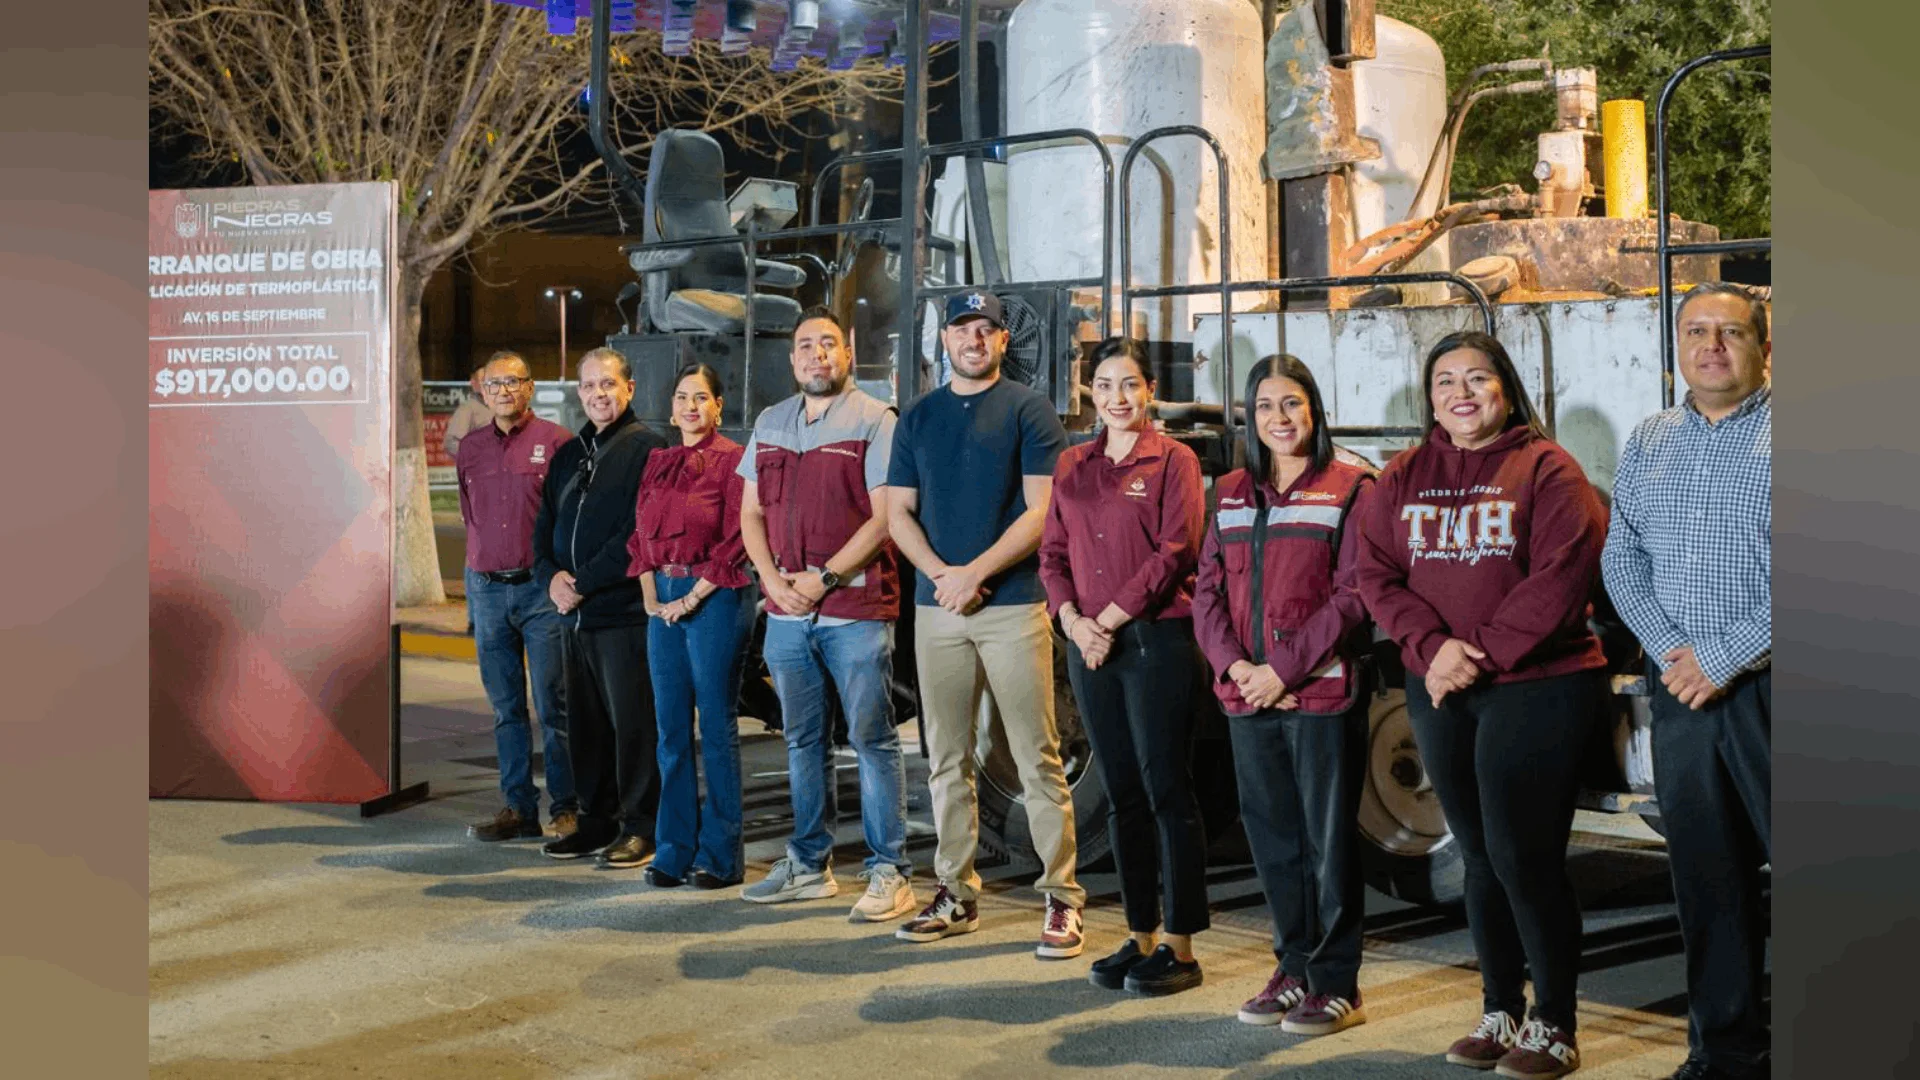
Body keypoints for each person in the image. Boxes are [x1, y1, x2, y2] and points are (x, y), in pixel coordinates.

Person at [1353, 330, 1609, 1080]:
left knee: (1522, 856)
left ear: (1505, 387)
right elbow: (1376, 573)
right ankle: (1500, 1009)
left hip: (1537, 687)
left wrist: (1474, 655)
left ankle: (1555, 1023)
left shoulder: (1548, 469)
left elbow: (1561, 579)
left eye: (1476, 378)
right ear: (1429, 396)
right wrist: (1432, 649)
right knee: (1477, 857)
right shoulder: (1403, 475)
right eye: (1444, 382)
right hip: (1442, 687)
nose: (1460, 393)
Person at [1602, 283, 1772, 1080]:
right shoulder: (1649, 439)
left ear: (1762, 348)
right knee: (1709, 880)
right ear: (1678, 346)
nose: (1713, 345)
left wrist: (1725, 655)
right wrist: (1676, 652)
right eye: (1697, 331)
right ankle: (1725, 1052)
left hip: (1779, 688)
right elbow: (1621, 556)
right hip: (1681, 690)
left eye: (1731, 332)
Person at [887, 291, 1085, 958]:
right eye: (963, 329)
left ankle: (1061, 898)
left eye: (986, 330)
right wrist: (944, 575)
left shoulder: (1029, 410)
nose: (974, 340)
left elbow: (1041, 512)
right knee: (944, 760)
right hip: (935, 606)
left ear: (1003, 341)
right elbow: (897, 515)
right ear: (943, 339)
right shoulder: (917, 417)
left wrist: (975, 573)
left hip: (1010, 604)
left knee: (1036, 757)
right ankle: (956, 893)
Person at [1193, 354, 1375, 1033]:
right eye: (1266, 406)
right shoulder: (1231, 491)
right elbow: (1207, 589)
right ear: (1249, 416)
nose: (1280, 418)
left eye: (1292, 403)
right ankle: (1294, 967)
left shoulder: (1352, 488)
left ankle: (1338, 983)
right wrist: (1238, 669)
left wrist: (1284, 671)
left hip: (1319, 695)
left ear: (1315, 410)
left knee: (1327, 842)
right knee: (1273, 840)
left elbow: (1355, 595)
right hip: (1250, 697)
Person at [1038, 338, 1209, 994]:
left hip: (1154, 642)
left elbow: (1175, 552)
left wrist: (1103, 620)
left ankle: (1181, 946)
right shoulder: (1072, 466)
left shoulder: (1174, 460)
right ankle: (1139, 934)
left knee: (1167, 788)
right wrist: (1074, 622)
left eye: (1129, 384)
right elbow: (1053, 553)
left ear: (1150, 390)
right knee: (1121, 797)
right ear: (1090, 393)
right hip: (1090, 647)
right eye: (1105, 384)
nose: (1117, 396)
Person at [736, 308, 917, 923]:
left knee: (870, 737)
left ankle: (889, 870)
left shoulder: (875, 421)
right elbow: (751, 514)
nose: (817, 355)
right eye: (806, 346)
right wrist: (771, 581)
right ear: (793, 360)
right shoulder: (771, 421)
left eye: (828, 345)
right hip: (786, 609)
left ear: (848, 353)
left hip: (854, 606)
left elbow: (884, 516)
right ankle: (809, 866)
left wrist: (825, 578)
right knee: (802, 740)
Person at [533, 347, 668, 867]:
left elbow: (636, 534)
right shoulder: (571, 453)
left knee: (633, 725)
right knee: (586, 727)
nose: (597, 395)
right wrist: (550, 579)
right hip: (572, 614)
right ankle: (594, 822)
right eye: (588, 386)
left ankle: (640, 827)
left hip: (621, 615)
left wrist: (582, 582)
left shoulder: (647, 449)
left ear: (629, 389)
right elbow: (542, 527)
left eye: (607, 385)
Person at [628, 364, 756, 890]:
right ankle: (673, 850)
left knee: (718, 730)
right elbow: (639, 540)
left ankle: (722, 857)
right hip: (663, 601)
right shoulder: (657, 462)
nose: (689, 407)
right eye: (681, 397)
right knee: (671, 733)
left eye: (701, 397)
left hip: (717, 596)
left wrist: (692, 598)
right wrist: (653, 600)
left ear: (718, 406)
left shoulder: (733, 462)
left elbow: (737, 540)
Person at [456, 351, 578, 843]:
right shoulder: (469, 448)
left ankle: (566, 809)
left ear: (530, 387)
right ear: (482, 391)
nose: (503, 391)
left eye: (514, 382)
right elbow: (471, 516)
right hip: (486, 590)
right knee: (505, 708)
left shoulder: (558, 443)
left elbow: (569, 519)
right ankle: (518, 808)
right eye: (494, 383)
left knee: (555, 705)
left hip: (539, 591)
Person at [443, 364, 496, 460]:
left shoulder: (500, 408)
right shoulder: (467, 409)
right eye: (483, 380)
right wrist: (476, 458)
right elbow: (451, 443)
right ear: (474, 384)